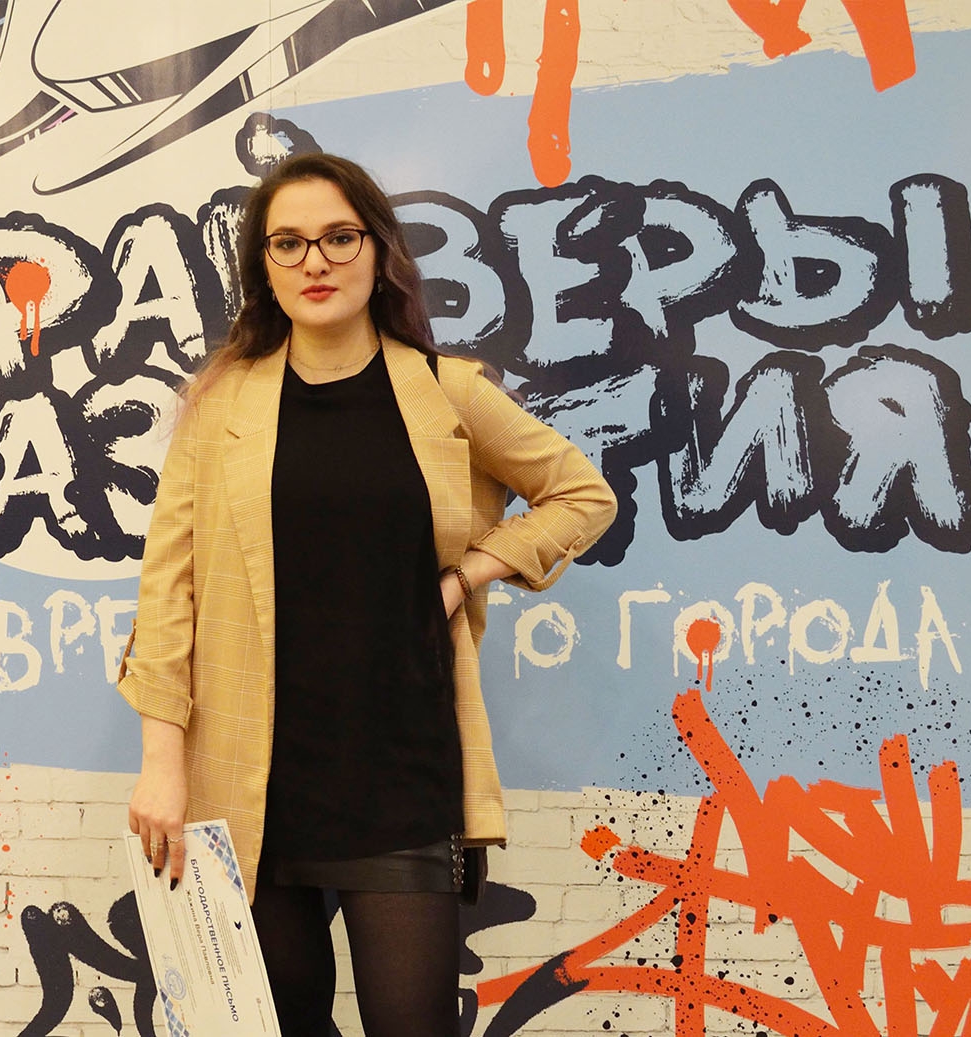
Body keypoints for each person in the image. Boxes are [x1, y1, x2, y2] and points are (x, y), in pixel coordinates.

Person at [117, 152, 617, 1035]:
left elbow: (582, 495)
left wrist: (469, 573)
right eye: (289, 243)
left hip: (400, 776)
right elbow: (168, 590)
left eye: (339, 237)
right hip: (249, 781)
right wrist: (163, 764)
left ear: (378, 251)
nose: (315, 261)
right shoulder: (221, 405)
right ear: (264, 267)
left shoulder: (445, 391)